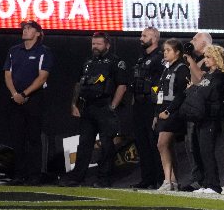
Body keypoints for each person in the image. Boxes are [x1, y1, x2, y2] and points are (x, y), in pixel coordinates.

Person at [61, 32, 129, 188]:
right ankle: (77, 178)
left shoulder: (116, 62)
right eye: (93, 44)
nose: (95, 47)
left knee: (106, 144)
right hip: (88, 107)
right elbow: (79, 84)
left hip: (105, 106)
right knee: (84, 144)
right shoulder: (88, 62)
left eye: (98, 44)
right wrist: (74, 104)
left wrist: (113, 106)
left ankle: (104, 179)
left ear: (107, 45)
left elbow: (122, 86)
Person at [3, 20, 52, 186]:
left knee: (34, 138)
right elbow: (8, 74)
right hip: (15, 99)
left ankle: (34, 175)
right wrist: (15, 94)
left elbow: (42, 76)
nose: (25, 30)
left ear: (38, 33)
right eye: (24, 28)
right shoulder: (14, 51)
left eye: (29, 28)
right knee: (17, 138)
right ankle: (18, 175)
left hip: (35, 99)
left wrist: (25, 93)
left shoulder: (43, 51)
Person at [187, 45, 224, 194]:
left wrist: (196, 90)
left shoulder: (220, 76)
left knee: (207, 152)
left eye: (209, 57)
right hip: (202, 118)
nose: (206, 59)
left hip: (211, 118)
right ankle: (206, 183)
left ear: (217, 58)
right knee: (200, 152)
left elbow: (210, 94)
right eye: (205, 56)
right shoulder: (208, 75)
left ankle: (214, 185)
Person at [129, 27, 165, 189]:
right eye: (141, 35)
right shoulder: (141, 59)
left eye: (144, 35)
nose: (141, 38)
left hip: (152, 106)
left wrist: (158, 106)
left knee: (153, 143)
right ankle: (147, 179)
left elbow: (161, 84)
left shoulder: (160, 58)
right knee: (141, 143)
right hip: (139, 105)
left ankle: (161, 178)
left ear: (155, 38)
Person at [154, 39, 191, 193]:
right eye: (164, 50)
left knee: (162, 144)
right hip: (163, 111)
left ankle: (168, 180)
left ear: (177, 52)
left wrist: (169, 111)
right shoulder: (167, 69)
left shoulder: (182, 68)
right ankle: (173, 181)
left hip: (173, 112)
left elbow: (182, 93)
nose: (165, 53)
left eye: (168, 50)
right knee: (165, 146)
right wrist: (157, 114)